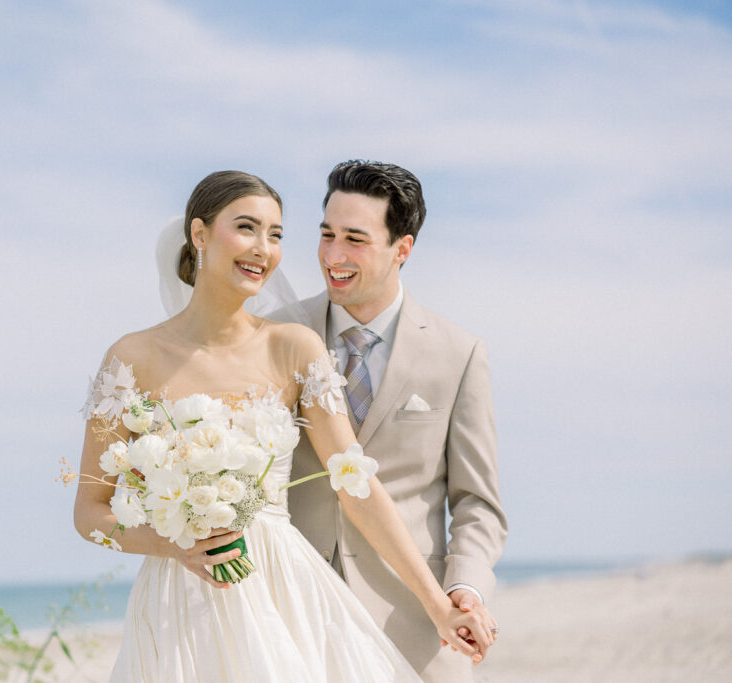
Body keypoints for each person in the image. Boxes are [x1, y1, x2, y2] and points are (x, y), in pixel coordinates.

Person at [72, 170, 496, 682]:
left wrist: (438, 603)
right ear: (199, 234)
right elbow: (90, 513)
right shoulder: (131, 357)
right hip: (177, 599)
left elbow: (355, 485)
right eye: (247, 228)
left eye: (275, 235)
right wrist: (174, 545)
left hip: (283, 590)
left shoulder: (295, 347)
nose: (264, 249)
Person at [284, 160, 508, 682]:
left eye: (355, 239)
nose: (333, 256)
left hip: (414, 620)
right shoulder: (275, 332)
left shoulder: (460, 353)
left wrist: (465, 587)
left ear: (402, 249)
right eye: (326, 234)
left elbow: (478, 502)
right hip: (289, 613)